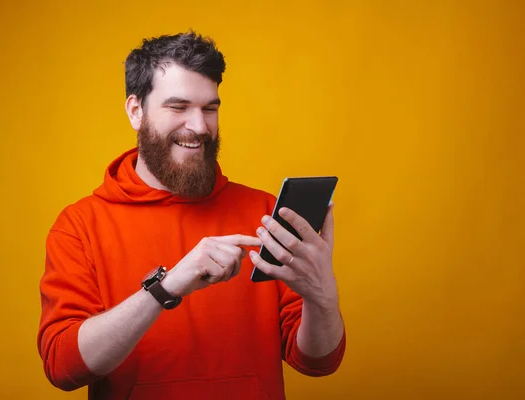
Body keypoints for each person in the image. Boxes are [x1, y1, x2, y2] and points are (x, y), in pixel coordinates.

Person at [37, 31, 346, 400]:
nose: (199, 127)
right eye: (178, 107)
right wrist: (165, 289)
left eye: (210, 109)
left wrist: (321, 295)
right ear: (135, 111)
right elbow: (63, 366)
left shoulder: (265, 213)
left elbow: (317, 362)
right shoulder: (80, 226)